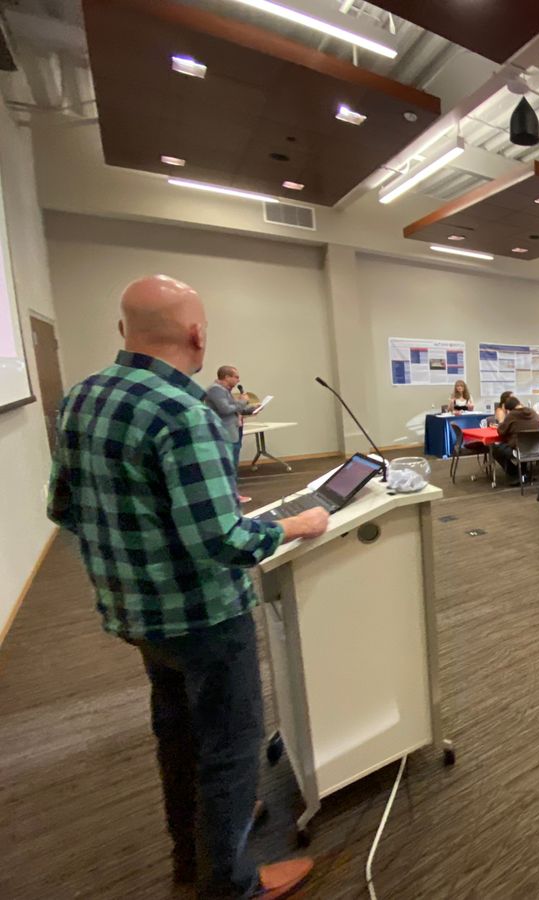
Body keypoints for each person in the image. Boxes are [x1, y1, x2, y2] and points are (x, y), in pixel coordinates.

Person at [47, 275, 324, 899]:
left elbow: (63, 507)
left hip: (131, 614)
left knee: (177, 734)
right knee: (230, 749)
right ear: (198, 335)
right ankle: (228, 885)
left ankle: (194, 852)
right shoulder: (185, 412)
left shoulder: (80, 398)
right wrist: (295, 523)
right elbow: (222, 541)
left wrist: (135, 553)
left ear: (124, 332)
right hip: (203, 616)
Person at [205, 364, 257, 503]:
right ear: (227, 377)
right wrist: (243, 401)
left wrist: (252, 409)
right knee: (228, 465)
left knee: (232, 465)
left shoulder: (224, 390)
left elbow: (234, 409)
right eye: (236, 377)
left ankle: (233, 495)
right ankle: (231, 497)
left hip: (232, 431)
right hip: (224, 434)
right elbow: (225, 409)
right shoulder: (216, 390)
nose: (238, 380)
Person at [493, 395, 539, 483]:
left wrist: (501, 421)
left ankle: (515, 473)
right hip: (537, 449)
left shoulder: (512, 415)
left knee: (496, 448)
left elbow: (501, 432)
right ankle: (523, 473)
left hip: (521, 451)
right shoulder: (533, 412)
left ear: (508, 410)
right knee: (522, 443)